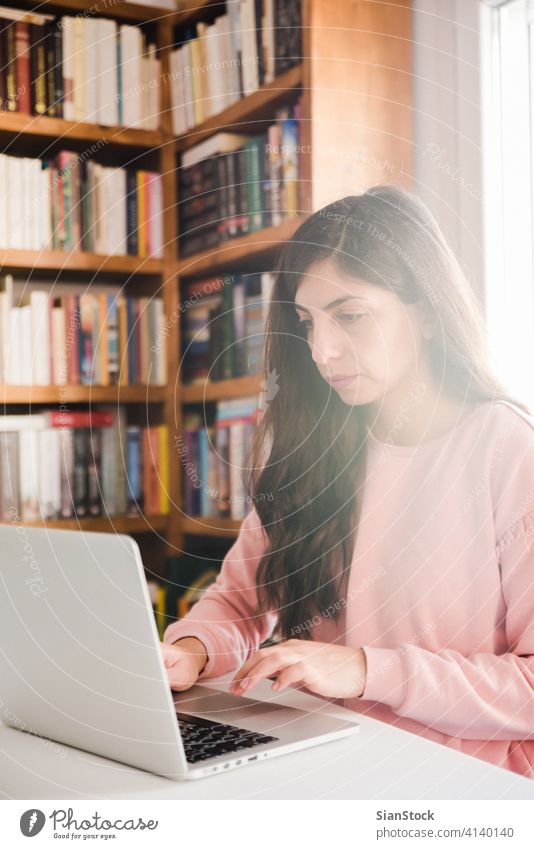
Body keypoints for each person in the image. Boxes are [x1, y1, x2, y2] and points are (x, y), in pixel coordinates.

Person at [161, 185, 534, 779]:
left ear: (429, 315)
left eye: (351, 317)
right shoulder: (316, 444)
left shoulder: (509, 449)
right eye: (307, 323)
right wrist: (189, 652)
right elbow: (239, 600)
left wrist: (365, 669)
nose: (323, 351)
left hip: (455, 783)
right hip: (321, 755)